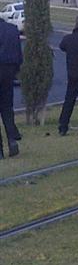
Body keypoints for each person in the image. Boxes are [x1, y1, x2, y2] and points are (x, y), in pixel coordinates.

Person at [0, 15, 22, 158]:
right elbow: (18, 53)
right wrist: (16, 69)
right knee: (7, 108)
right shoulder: (12, 30)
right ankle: (12, 139)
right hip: (8, 72)